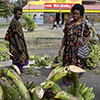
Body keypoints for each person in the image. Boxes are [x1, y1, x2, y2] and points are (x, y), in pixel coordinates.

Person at [58, 4, 91, 85]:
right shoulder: (68, 24)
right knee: (66, 66)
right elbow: (65, 37)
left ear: (81, 15)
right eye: (74, 13)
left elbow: (88, 35)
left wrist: (83, 42)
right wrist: (60, 48)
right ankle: (64, 81)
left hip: (77, 51)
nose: (75, 15)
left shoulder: (83, 25)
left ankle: (75, 83)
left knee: (76, 67)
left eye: (77, 14)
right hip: (68, 50)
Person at [7, 6, 29, 74]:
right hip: (16, 44)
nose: (19, 15)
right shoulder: (14, 22)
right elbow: (15, 34)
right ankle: (17, 71)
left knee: (20, 57)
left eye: (20, 14)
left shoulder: (17, 21)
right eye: (18, 14)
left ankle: (19, 69)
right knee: (18, 57)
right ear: (14, 13)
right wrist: (19, 46)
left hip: (19, 42)